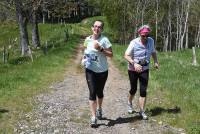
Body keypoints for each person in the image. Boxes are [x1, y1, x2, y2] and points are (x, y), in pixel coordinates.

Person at [124, 25, 159, 120]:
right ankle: (129, 103)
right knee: (133, 89)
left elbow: (153, 52)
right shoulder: (133, 43)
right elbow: (126, 55)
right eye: (143, 35)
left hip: (145, 69)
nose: (145, 37)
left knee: (143, 91)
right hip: (133, 69)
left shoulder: (151, 41)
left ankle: (141, 111)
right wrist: (134, 64)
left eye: (147, 35)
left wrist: (155, 61)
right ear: (139, 34)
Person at [82, 20, 113, 127]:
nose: (97, 28)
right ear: (92, 28)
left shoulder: (104, 40)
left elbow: (111, 54)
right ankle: (93, 117)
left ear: (102, 29)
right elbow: (85, 51)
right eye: (95, 26)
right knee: (92, 92)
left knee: (99, 92)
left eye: (99, 27)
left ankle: (99, 108)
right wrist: (84, 59)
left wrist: (100, 49)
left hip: (102, 71)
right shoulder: (87, 39)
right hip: (90, 70)